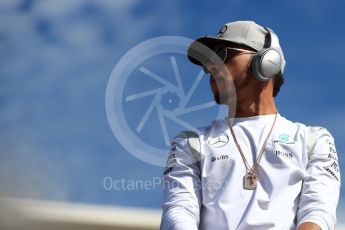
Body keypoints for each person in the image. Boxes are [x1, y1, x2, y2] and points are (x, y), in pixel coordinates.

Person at [160, 21, 341, 230]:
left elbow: (318, 213)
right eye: (207, 62)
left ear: (266, 61)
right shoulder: (189, 143)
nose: (210, 68)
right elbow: (179, 212)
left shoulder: (314, 140)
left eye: (222, 54)